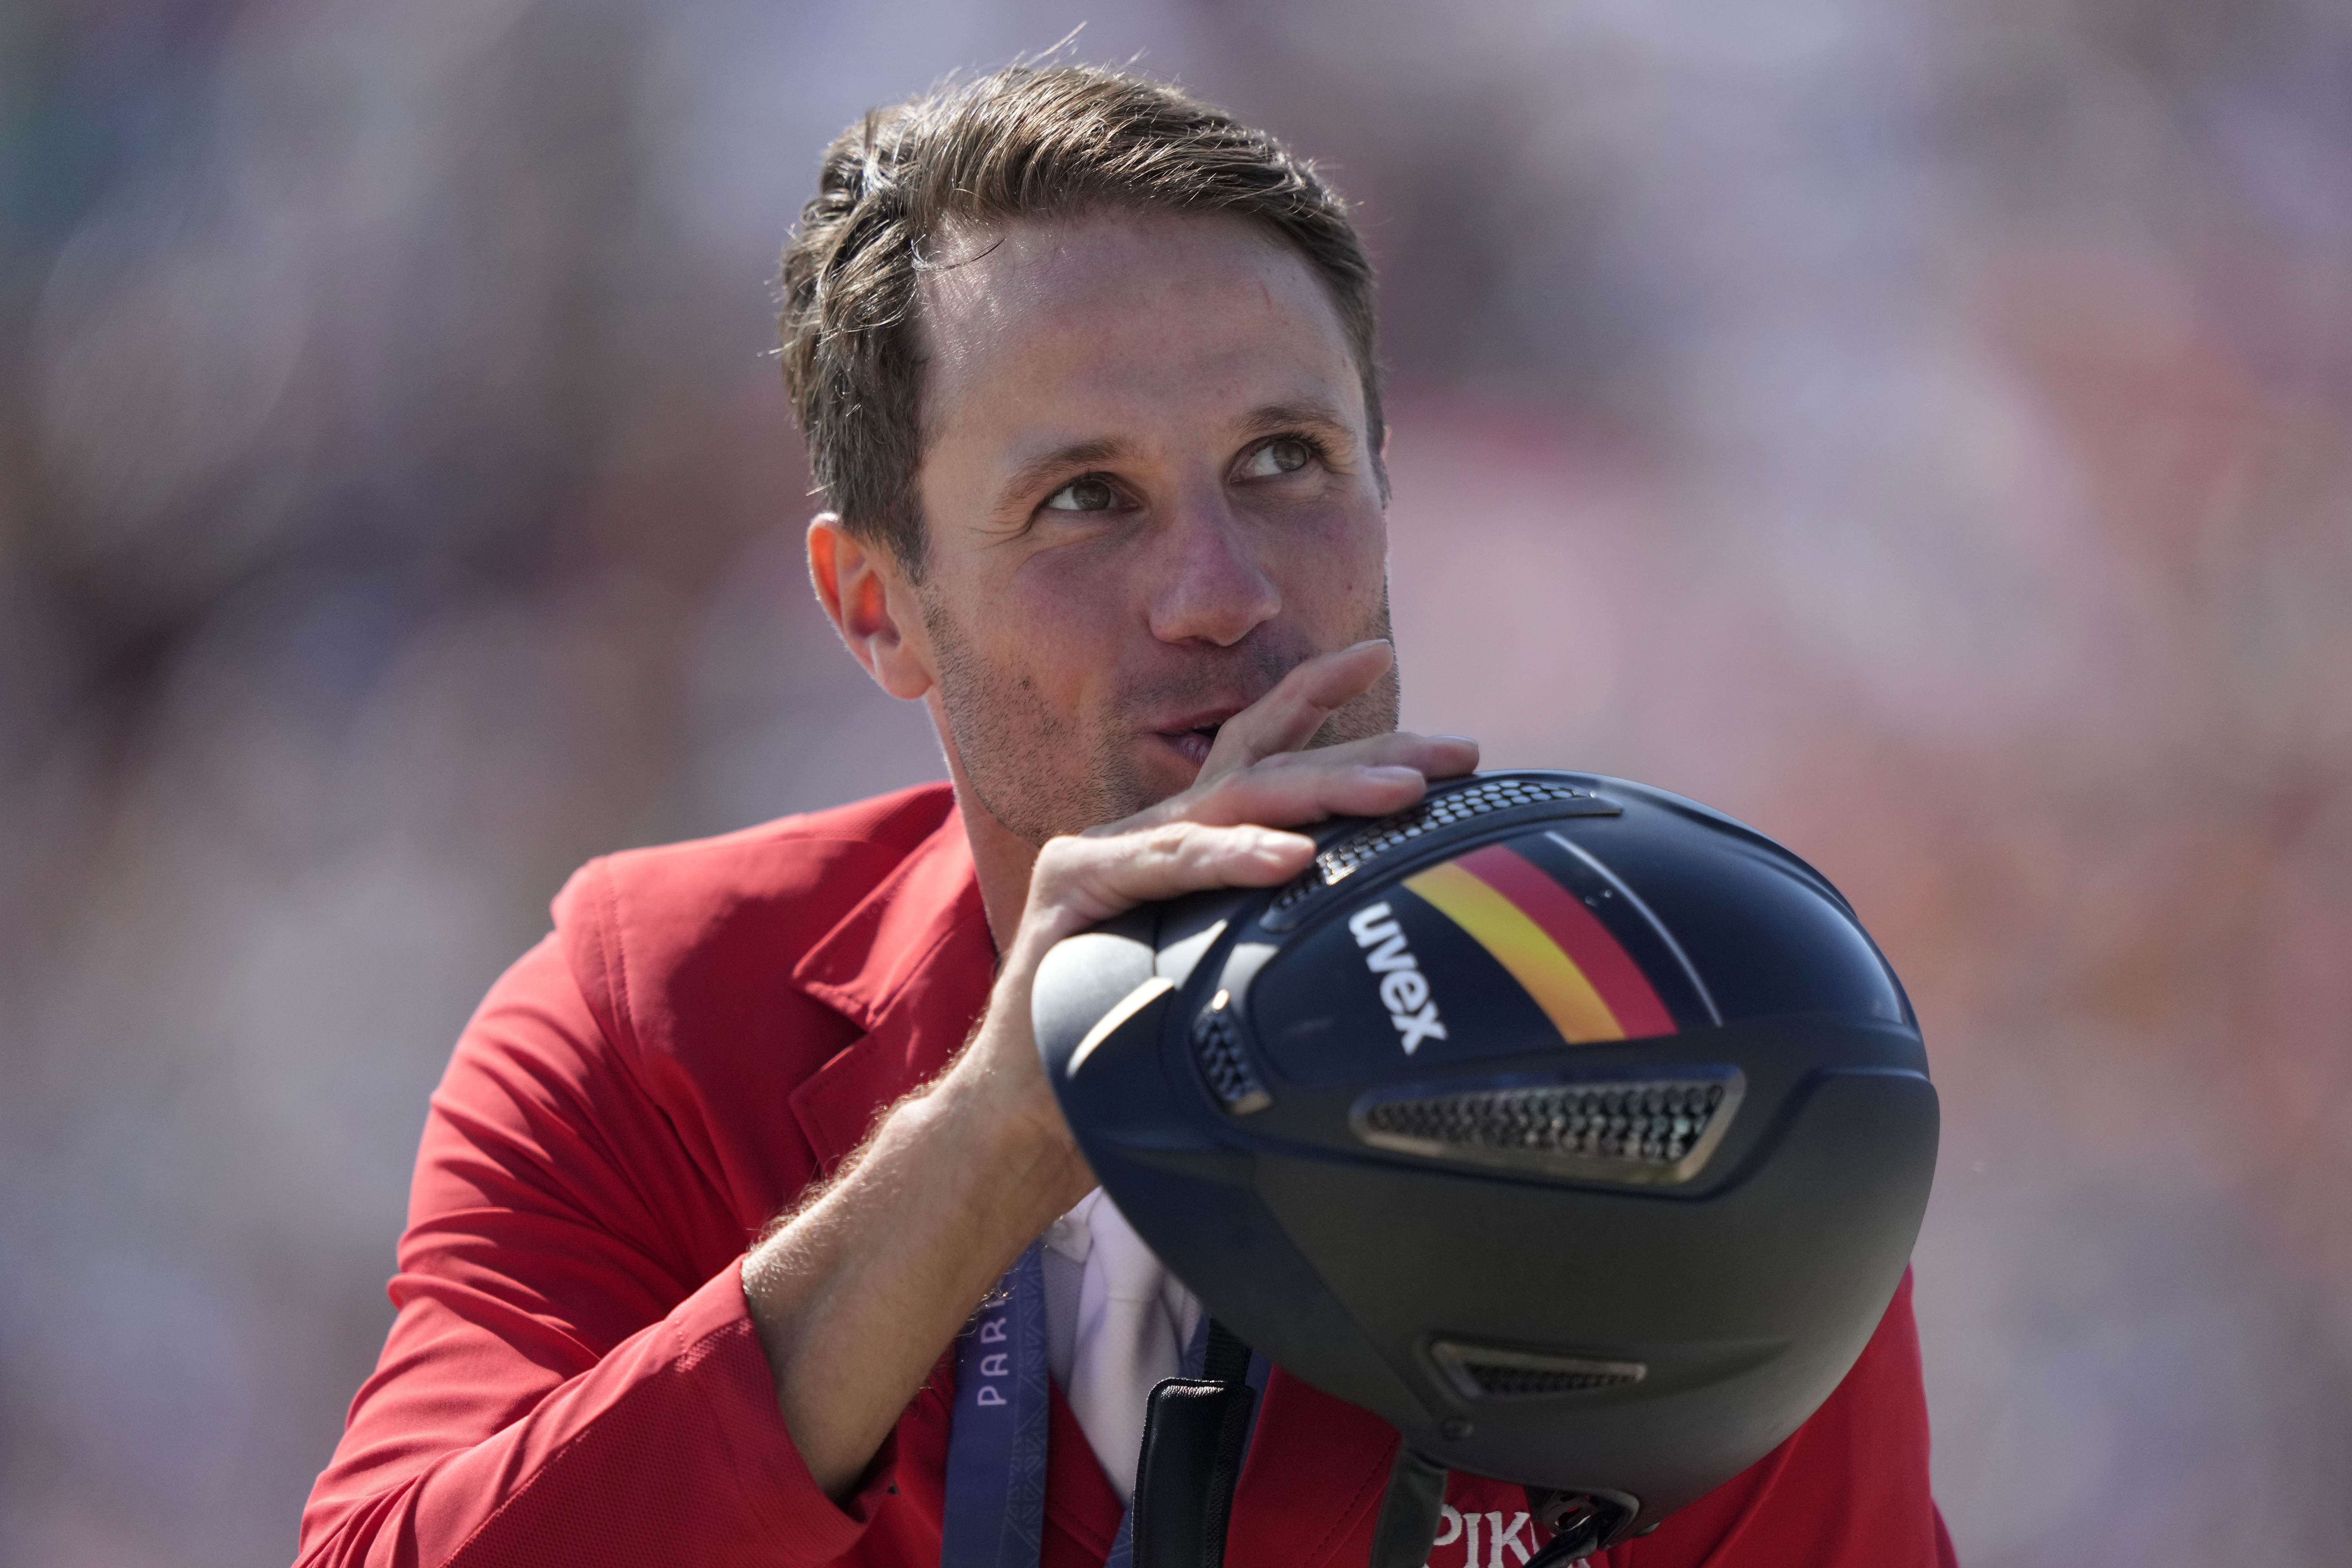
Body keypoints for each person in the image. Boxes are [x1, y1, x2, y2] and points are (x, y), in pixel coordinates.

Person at [296, 63, 1954, 1568]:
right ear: (876, 607)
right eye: (1086, 498)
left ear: (1388, 496)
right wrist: (991, 1138)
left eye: (1287, 461)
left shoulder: (1679, 1035)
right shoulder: (657, 1006)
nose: (1219, 596)